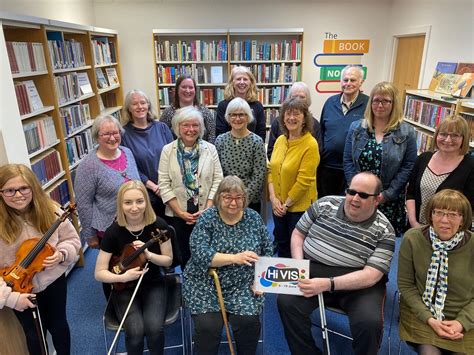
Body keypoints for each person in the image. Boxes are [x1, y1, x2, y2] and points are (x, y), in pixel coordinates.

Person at [277, 172, 395, 355]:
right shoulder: (325, 204)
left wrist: (328, 284)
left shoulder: (385, 229)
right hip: (312, 269)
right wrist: (299, 265)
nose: (355, 199)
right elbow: (298, 234)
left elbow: (372, 275)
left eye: (363, 195)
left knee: (369, 323)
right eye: (351, 191)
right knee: (286, 302)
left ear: (377, 199)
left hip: (360, 282)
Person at [183, 176, 273, 354]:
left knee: (248, 323)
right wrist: (235, 258)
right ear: (219, 198)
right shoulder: (208, 218)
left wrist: (260, 280)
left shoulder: (253, 218)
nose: (233, 202)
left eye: (238, 197)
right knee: (209, 328)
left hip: (243, 284)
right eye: (227, 197)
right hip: (205, 283)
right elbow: (200, 253)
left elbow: (267, 251)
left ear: (244, 199)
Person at [0, 164, 81, 355]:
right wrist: (11, 298)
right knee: (34, 334)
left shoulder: (51, 209)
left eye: (23, 188)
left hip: (53, 281)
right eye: (10, 190)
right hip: (17, 291)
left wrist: (61, 254)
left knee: (59, 325)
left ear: (33, 188)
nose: (18, 195)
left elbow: (72, 240)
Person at [95, 180, 173, 355]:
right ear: (120, 205)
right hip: (123, 288)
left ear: (146, 201)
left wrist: (150, 256)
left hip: (153, 283)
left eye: (139, 201)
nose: (134, 208)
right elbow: (99, 273)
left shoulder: (159, 225)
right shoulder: (113, 232)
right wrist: (122, 277)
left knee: (154, 330)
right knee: (135, 332)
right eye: (128, 202)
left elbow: (168, 260)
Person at [398, 189, 473, 354]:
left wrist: (462, 322)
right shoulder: (412, 238)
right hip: (422, 314)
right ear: (430, 215)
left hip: (465, 317)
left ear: (463, 219)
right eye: (439, 213)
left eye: (453, 214)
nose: (445, 220)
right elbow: (406, 285)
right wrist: (429, 319)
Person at [344, 81, 417, 235]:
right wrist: (355, 189)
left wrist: (387, 195)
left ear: (394, 104)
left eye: (386, 101)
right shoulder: (357, 128)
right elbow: (348, 160)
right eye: (376, 100)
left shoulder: (407, 132)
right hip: (360, 197)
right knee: (355, 237)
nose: (380, 105)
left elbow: (408, 166)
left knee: (383, 241)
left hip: (388, 199)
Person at [158, 106, 223, 268]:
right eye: (186, 125)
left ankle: (208, 286)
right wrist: (180, 213)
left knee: (208, 251)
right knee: (185, 253)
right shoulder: (167, 151)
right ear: (177, 127)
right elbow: (164, 184)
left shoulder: (210, 149)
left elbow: (218, 180)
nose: (191, 129)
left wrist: (208, 208)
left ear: (201, 128)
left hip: (206, 211)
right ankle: (189, 287)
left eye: (195, 125)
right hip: (179, 213)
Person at [75, 114, 140, 248]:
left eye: (115, 133)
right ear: (97, 137)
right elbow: (84, 204)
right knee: (115, 266)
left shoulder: (127, 152)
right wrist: (89, 235)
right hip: (109, 229)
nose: (112, 138)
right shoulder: (88, 165)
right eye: (106, 134)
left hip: (136, 222)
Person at [268, 97, 319, 257]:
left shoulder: (310, 144)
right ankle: (283, 279)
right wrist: (273, 198)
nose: (291, 118)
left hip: (298, 208)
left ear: (304, 118)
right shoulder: (280, 140)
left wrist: (286, 204)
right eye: (287, 114)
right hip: (278, 205)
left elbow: (304, 181)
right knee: (281, 242)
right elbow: (271, 170)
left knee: (297, 247)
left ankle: (298, 281)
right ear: (282, 118)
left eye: (296, 114)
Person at [406, 115, 473, 228]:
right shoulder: (424, 158)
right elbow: (411, 193)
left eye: (455, 135)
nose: (447, 140)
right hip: (417, 227)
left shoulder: (470, 166)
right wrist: (413, 222)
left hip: (450, 232)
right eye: (443, 134)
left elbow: (469, 208)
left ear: (464, 138)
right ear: (436, 135)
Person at [121, 89, 174, 217]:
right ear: (128, 108)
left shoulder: (162, 128)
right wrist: (154, 187)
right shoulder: (123, 135)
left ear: (148, 105)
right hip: (145, 193)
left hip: (170, 188)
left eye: (143, 103)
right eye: (135, 104)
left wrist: (166, 186)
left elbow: (174, 156)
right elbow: (129, 167)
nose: (140, 107)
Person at [319, 65, 369, 197]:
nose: (348, 84)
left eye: (353, 80)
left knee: (348, 208)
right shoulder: (330, 102)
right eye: (345, 80)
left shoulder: (368, 105)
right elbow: (322, 130)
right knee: (326, 205)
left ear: (361, 82)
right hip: (327, 168)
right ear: (340, 82)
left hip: (353, 170)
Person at [215, 97, 266, 213]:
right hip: (224, 201)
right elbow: (216, 172)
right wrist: (227, 198)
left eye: (241, 115)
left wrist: (242, 199)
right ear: (228, 117)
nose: (237, 118)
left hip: (250, 202)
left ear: (248, 117)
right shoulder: (220, 140)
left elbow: (259, 175)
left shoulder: (257, 142)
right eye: (233, 115)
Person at [267, 81, 323, 160]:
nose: (298, 100)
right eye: (294, 97)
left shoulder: (315, 124)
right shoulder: (277, 122)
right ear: (289, 99)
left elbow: (318, 152)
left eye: (302, 97)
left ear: (308, 100)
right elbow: (271, 152)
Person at [159, 75, 216, 143]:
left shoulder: (205, 111)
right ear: (177, 89)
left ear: (195, 90)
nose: (188, 90)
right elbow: (161, 136)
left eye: (191, 87)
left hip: (203, 152)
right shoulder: (168, 113)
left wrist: (207, 152)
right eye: (184, 87)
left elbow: (212, 136)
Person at [216, 66, 266, 141]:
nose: (242, 82)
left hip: (252, 148)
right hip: (228, 149)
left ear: (250, 83)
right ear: (232, 82)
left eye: (245, 79)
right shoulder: (223, 106)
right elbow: (220, 132)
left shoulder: (257, 106)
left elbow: (261, 133)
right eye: (238, 79)